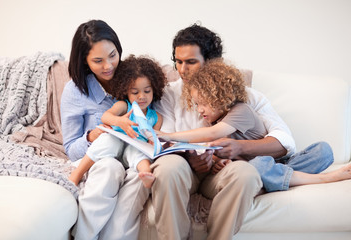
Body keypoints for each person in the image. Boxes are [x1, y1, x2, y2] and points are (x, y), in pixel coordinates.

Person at [151, 23, 334, 240]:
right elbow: (166, 142)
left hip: (221, 171)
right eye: (178, 62)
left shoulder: (242, 96)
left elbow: (284, 141)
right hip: (184, 168)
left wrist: (239, 148)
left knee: (248, 173)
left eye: (191, 62)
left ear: (212, 63)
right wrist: (190, 158)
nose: (182, 70)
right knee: (167, 168)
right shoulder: (169, 94)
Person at [159, 58, 351, 193]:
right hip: (256, 165)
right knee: (256, 167)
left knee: (323, 150)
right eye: (196, 104)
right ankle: (278, 179)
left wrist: (168, 136)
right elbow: (234, 158)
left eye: (203, 103)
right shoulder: (217, 119)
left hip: (277, 161)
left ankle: (320, 178)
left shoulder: (241, 111)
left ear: (221, 97)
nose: (199, 110)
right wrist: (221, 163)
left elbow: (212, 134)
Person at [61, 20, 149, 240]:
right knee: (110, 168)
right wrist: (93, 135)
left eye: (112, 55)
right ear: (85, 61)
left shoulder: (132, 78)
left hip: (131, 153)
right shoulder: (74, 91)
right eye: (98, 61)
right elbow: (71, 148)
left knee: (140, 174)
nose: (108, 65)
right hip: (97, 158)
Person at [69, 55, 166, 189]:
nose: (141, 96)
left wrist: (153, 141)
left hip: (136, 146)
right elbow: (105, 117)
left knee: (140, 154)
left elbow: (155, 135)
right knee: (107, 141)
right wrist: (119, 121)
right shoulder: (124, 106)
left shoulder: (156, 117)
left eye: (147, 91)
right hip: (116, 143)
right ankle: (76, 174)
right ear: (126, 92)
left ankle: (146, 174)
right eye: (135, 92)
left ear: (154, 90)